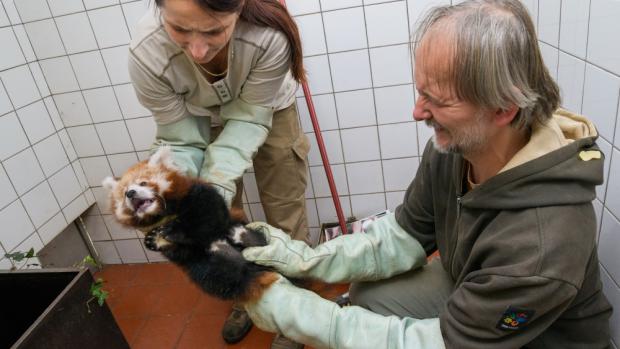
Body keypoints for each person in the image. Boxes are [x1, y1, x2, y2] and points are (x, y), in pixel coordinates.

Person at [241, 0, 613, 348]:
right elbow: (404, 235)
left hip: (537, 340)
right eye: (421, 92)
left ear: (502, 108)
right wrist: (305, 258)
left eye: (438, 99)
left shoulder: (541, 245)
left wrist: (307, 316)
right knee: (367, 295)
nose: (417, 112)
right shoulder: (457, 147)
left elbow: (439, 343)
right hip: (472, 286)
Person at [127, 0, 310, 347]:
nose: (197, 51)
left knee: (284, 203)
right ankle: (247, 293)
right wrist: (181, 197)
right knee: (221, 220)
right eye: (179, 29)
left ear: (239, 9)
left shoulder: (268, 36)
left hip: (267, 107)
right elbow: (180, 140)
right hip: (199, 115)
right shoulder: (146, 52)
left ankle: (294, 302)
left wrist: (214, 184)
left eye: (213, 30)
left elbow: (248, 119)